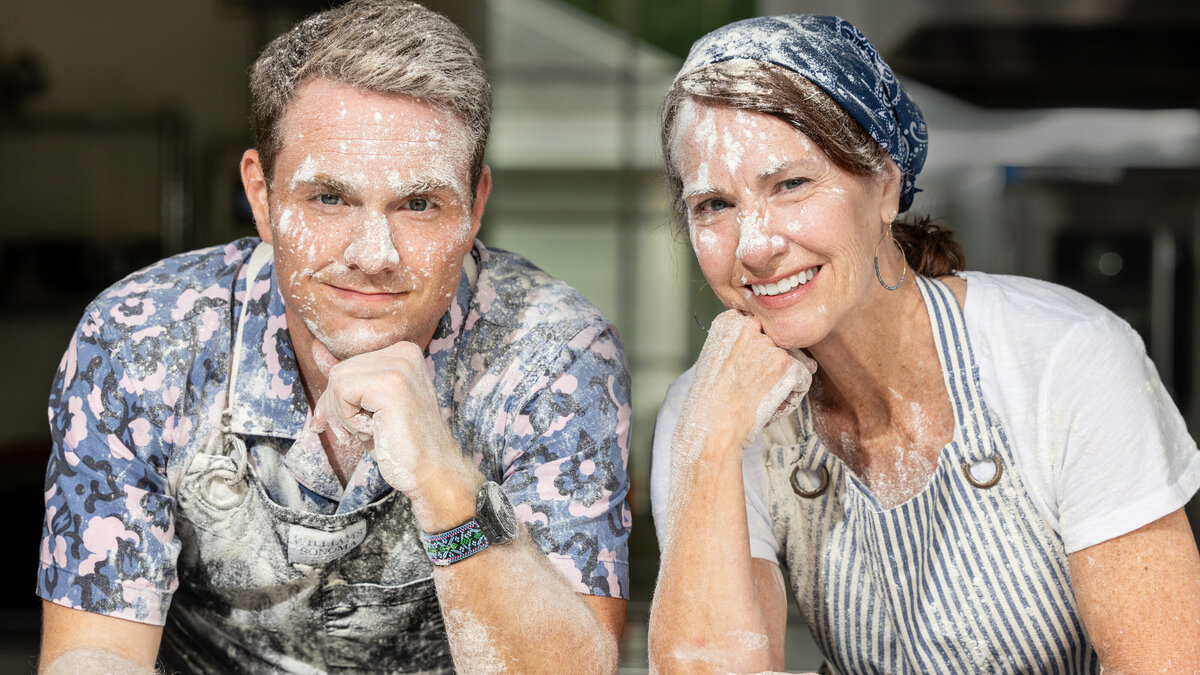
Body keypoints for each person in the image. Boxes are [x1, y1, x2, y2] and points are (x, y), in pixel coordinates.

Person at [37, 2, 631, 672]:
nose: (374, 253)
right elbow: (95, 652)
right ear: (261, 197)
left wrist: (444, 481)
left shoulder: (556, 354)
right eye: (330, 198)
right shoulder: (141, 336)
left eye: (418, 204)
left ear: (475, 208)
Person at [647, 14, 1200, 674]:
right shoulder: (710, 411)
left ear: (883, 184)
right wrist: (707, 441)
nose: (756, 246)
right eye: (713, 205)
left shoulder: (1063, 357)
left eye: (790, 185)